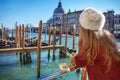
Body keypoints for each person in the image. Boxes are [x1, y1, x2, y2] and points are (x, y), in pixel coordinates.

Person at [59, 7, 120, 80]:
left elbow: (78, 61)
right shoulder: (108, 39)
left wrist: (72, 57)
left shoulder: (88, 44)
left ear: (84, 28)